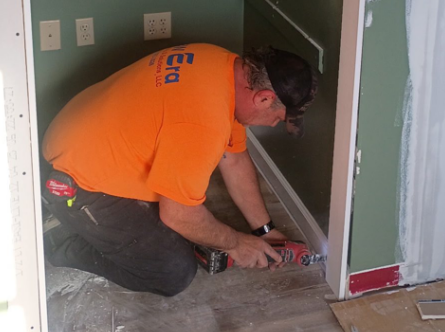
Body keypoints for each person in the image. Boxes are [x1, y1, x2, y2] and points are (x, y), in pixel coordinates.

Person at [41, 43, 317, 297]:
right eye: (277, 118)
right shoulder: (204, 122)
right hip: (76, 179)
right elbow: (179, 214)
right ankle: (58, 238)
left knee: (191, 226)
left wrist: (264, 230)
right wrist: (236, 244)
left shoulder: (223, 68)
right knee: (172, 271)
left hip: (82, 137)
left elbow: (233, 158)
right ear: (265, 99)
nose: (272, 125)